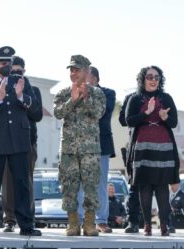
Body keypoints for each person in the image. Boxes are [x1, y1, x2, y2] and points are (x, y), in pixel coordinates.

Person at [0, 46, 41, 236]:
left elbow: (36, 113)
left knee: (22, 185)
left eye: (9, 62)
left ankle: (27, 225)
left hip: (20, 141)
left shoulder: (22, 82)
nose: (7, 65)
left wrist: (21, 96)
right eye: (3, 62)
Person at [54, 54, 105, 236]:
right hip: (68, 149)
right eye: (71, 70)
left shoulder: (97, 93)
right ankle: (73, 223)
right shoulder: (62, 93)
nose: (73, 73)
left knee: (91, 186)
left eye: (77, 70)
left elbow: (99, 113)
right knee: (69, 186)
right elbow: (58, 113)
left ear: (86, 71)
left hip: (90, 150)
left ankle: (90, 223)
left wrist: (85, 98)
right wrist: (73, 99)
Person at [125, 65, 180, 236]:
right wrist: (147, 112)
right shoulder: (135, 98)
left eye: (156, 77)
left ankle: (164, 225)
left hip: (163, 145)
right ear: (143, 79)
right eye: (149, 77)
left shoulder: (166, 97)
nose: (153, 80)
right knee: (145, 186)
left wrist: (165, 117)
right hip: (142, 146)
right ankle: (147, 224)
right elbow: (128, 121)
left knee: (162, 186)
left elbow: (174, 122)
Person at [1, 55, 43, 233]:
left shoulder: (33, 90)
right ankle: (9, 220)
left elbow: (37, 115)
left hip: (27, 142)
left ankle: (28, 218)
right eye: (13, 71)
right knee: (8, 182)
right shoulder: (2, 88)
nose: (17, 74)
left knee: (26, 181)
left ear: (24, 71)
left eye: (20, 71)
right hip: (7, 143)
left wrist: (22, 95)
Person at [77, 66, 116, 233]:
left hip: (101, 144)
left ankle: (101, 220)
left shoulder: (108, 93)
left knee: (100, 183)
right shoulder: (76, 92)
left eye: (85, 77)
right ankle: (80, 221)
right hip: (81, 145)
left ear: (95, 79)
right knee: (80, 184)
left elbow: (102, 113)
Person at [119, 92, 142, 233]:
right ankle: (133, 221)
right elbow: (123, 120)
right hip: (135, 145)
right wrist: (143, 115)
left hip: (156, 144)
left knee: (159, 185)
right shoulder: (131, 98)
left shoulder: (161, 96)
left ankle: (166, 222)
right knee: (134, 185)